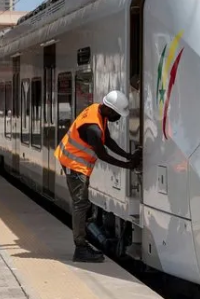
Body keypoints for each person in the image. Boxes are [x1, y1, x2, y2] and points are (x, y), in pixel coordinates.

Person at [55, 90, 142, 263]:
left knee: (83, 203)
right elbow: (103, 155)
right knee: (81, 204)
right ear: (110, 110)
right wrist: (128, 166)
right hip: (74, 165)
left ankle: (82, 244)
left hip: (76, 163)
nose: (117, 118)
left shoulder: (97, 110)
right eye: (117, 115)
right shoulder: (93, 127)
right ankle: (80, 248)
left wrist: (128, 156)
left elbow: (107, 140)